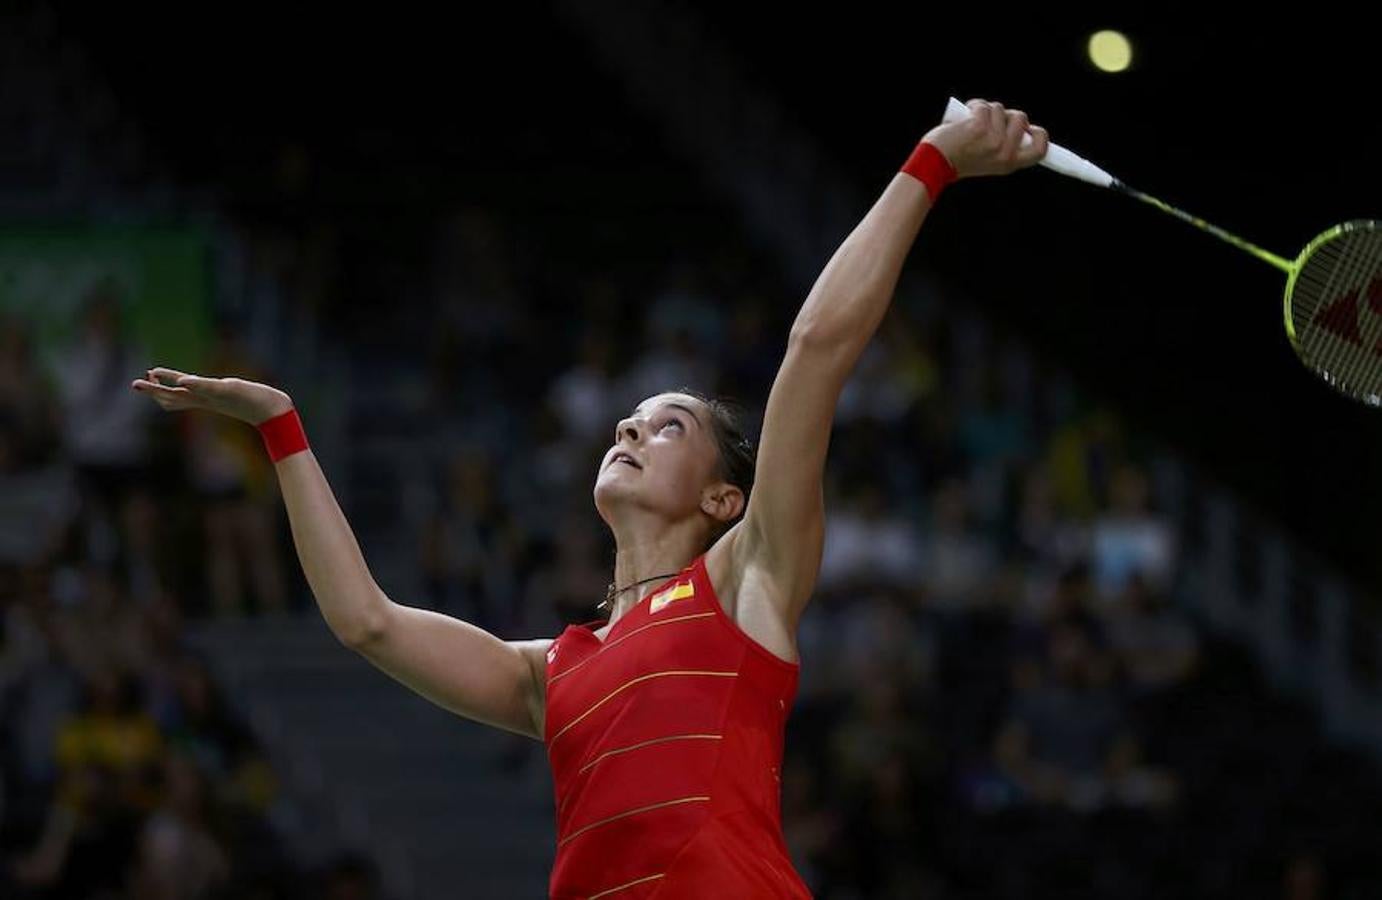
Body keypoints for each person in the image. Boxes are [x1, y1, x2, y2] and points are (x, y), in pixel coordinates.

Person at [131, 98, 1048, 899]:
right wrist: (281, 426)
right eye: (628, 422)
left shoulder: (750, 582)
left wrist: (933, 161)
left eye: (668, 427)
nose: (629, 431)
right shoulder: (551, 674)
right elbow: (365, 622)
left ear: (728, 499)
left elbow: (814, 348)